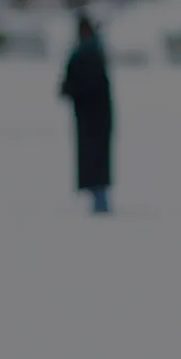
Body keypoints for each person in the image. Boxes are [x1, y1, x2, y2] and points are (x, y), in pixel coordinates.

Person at [60, 13, 115, 215]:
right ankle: (100, 202)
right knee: (96, 163)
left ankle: (101, 205)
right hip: (93, 117)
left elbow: (84, 84)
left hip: (92, 118)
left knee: (95, 163)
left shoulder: (87, 53)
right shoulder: (90, 51)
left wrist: (70, 88)